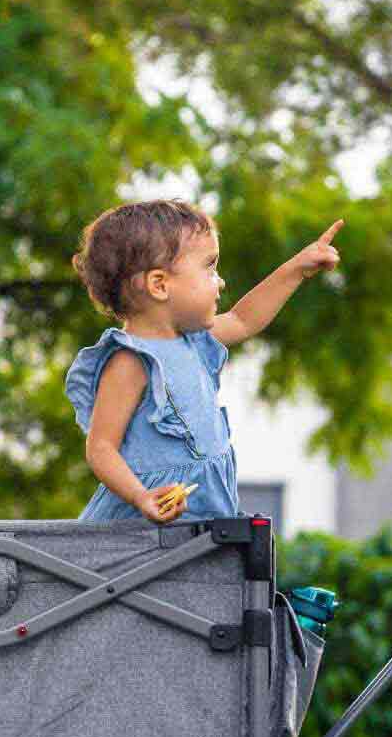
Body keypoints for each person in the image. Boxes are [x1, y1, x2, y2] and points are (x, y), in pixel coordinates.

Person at [66, 199, 342, 523]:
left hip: (201, 524)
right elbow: (100, 448)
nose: (220, 281)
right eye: (209, 267)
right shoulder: (130, 361)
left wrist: (296, 268)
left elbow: (244, 318)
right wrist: (140, 496)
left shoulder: (194, 341)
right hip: (143, 531)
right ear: (159, 284)